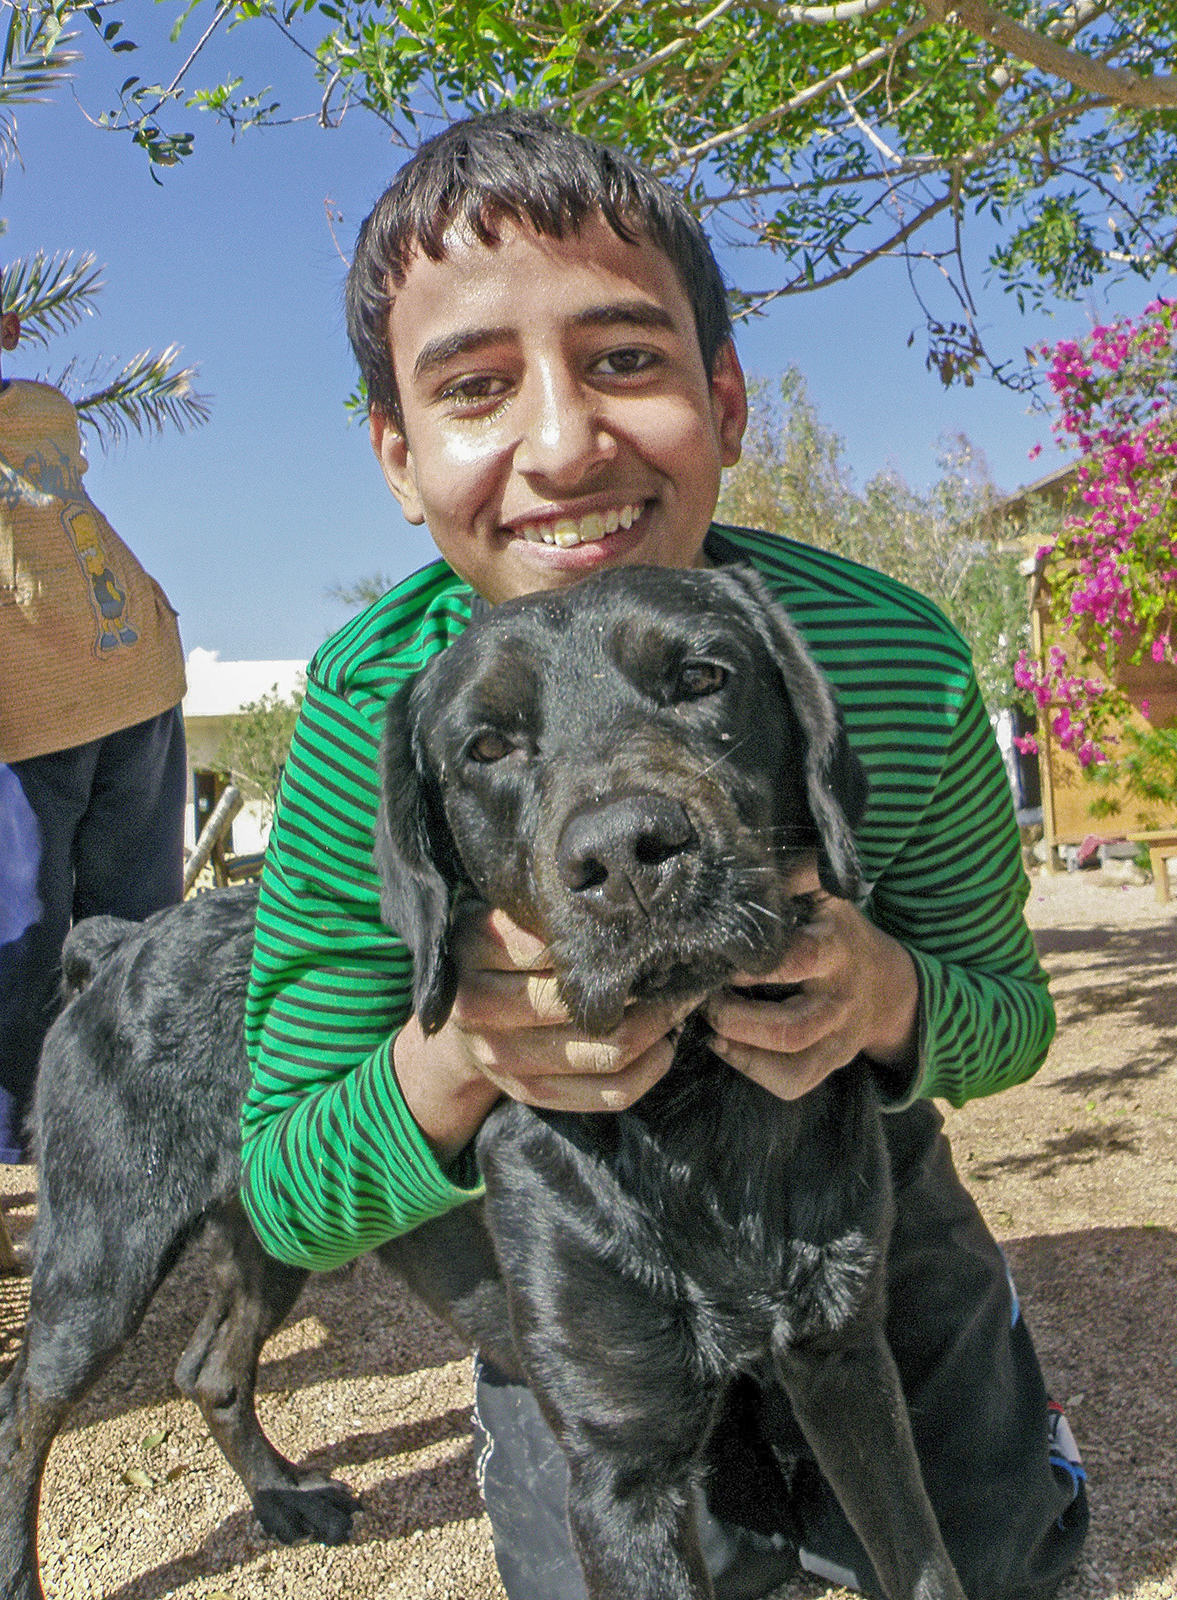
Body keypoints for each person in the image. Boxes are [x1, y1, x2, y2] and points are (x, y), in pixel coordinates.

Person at [239, 111, 1088, 1600]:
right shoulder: (373, 709)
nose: (564, 444)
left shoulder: (890, 658)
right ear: (399, 457)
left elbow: (1007, 1017)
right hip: (568, 1206)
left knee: (1000, 1558)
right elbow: (287, 1187)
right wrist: (462, 1057)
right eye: (476, 386)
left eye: (625, 358)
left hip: (843, 1156)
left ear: (727, 400)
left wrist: (890, 997)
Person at [0, 223, 187, 1164]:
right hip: (27, 726)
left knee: (136, 921)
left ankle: (134, 1124)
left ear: (8, 323)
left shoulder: (48, 413)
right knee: (31, 936)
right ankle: (11, 1142)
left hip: (138, 685)